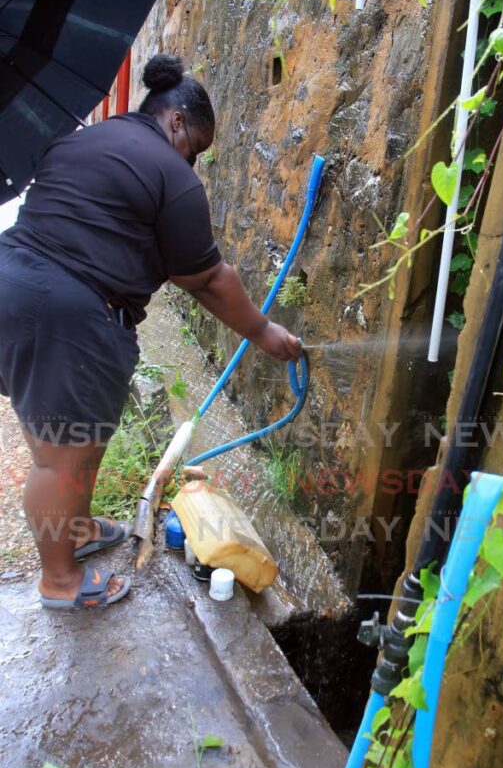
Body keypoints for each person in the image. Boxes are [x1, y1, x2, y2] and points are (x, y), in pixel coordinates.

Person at [0, 53, 301, 610]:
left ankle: (77, 529)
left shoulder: (80, 139)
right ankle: (60, 583)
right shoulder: (171, 175)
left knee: (67, 441)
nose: (195, 164)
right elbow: (208, 278)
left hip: (12, 282)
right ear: (177, 122)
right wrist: (264, 333)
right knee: (60, 457)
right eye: (197, 150)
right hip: (69, 311)